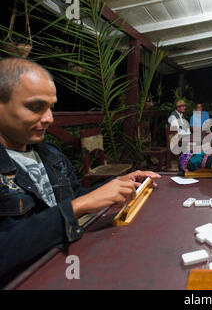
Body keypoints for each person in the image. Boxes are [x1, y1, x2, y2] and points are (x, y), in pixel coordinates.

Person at [0, 58, 161, 284]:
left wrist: (117, 183)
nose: (49, 119)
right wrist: (76, 208)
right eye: (36, 107)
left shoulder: (50, 154)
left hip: (70, 264)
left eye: (51, 107)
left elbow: (73, 197)